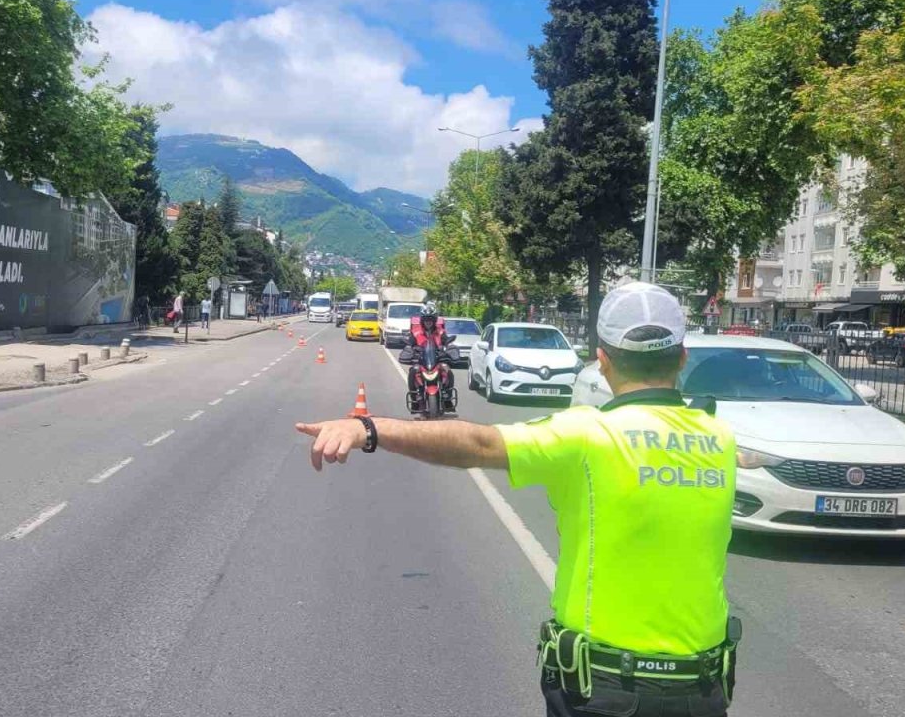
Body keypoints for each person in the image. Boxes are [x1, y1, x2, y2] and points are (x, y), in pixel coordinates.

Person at [297, 283, 739, 717]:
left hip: (606, 693)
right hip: (704, 692)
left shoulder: (588, 435)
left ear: (602, 362)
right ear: (682, 357)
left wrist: (369, 429)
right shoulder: (720, 438)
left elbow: (478, 443)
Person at [404, 302, 454, 396]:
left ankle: (448, 395)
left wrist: (449, 349)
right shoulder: (415, 332)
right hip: (421, 361)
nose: (428, 322)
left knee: (448, 371)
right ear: (422, 320)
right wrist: (411, 350)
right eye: (426, 320)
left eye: (430, 320)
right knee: (412, 371)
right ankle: (414, 395)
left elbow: (447, 341)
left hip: (437, 360)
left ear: (434, 321)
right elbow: (409, 344)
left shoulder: (441, 331)